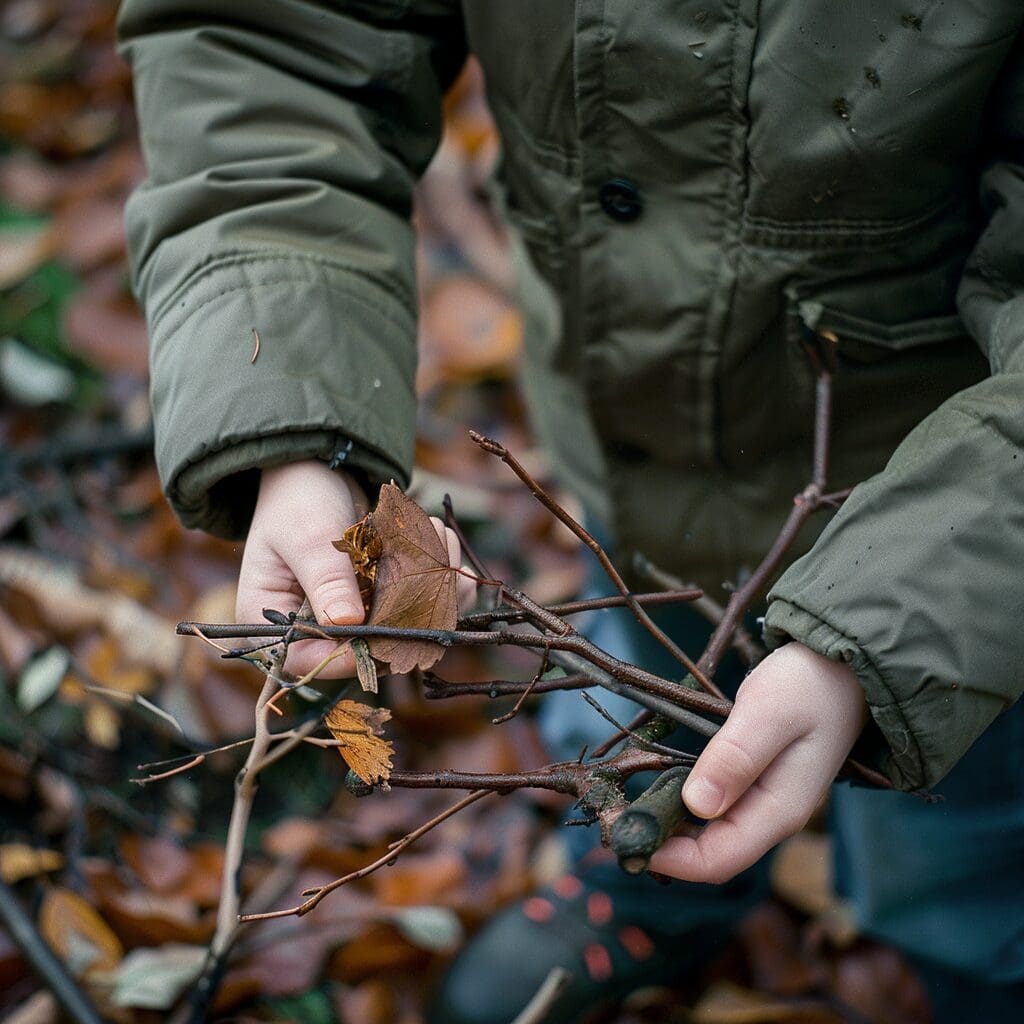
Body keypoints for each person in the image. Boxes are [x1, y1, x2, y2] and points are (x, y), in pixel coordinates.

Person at [116, 3, 1024, 1021]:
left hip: (971, 554)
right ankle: (652, 900)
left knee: (959, 859)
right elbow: (273, 42)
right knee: (644, 722)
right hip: (631, 457)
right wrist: (290, 421)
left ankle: (973, 973)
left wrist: (891, 622)